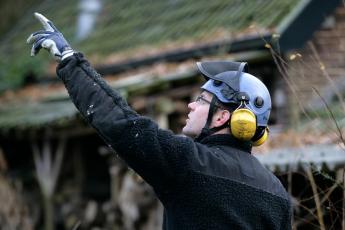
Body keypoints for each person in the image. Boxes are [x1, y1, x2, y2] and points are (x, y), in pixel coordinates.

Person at [27, 13, 292, 230]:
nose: (191, 105)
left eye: (201, 100)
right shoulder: (278, 195)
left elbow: (121, 123)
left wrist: (69, 60)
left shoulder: (189, 163)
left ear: (223, 116)